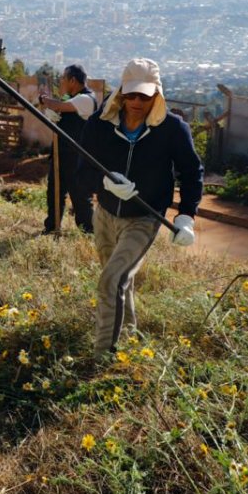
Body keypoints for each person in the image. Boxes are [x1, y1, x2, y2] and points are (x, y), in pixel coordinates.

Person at [77, 58, 203, 355]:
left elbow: (191, 172)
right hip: (105, 215)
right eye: (131, 94)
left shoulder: (173, 129)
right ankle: (131, 337)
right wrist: (104, 183)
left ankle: (103, 357)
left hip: (144, 218)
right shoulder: (100, 124)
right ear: (122, 91)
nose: (136, 101)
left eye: (144, 96)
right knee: (121, 281)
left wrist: (185, 216)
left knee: (111, 281)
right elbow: (81, 172)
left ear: (156, 95)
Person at [40, 64, 98, 235]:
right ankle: (52, 227)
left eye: (64, 78)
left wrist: (45, 100)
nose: (61, 81)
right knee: (54, 193)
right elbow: (58, 113)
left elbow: (58, 106)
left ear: (73, 80)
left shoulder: (86, 99)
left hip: (78, 158)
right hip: (61, 154)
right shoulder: (69, 98)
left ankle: (87, 232)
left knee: (80, 196)